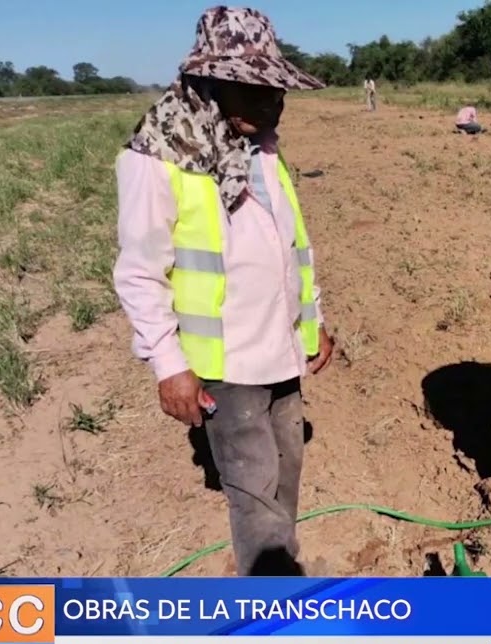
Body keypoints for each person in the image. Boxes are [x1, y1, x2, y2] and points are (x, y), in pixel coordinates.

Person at [112, 6, 336, 577]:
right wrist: (169, 365)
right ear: (211, 83)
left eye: (277, 90)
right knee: (255, 496)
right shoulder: (158, 157)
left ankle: (279, 571)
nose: (273, 104)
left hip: (281, 351)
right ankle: (272, 614)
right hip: (226, 365)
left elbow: (291, 248)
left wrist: (313, 323)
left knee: (285, 477)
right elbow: (139, 271)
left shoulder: (261, 148)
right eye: (256, 91)